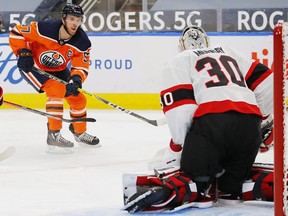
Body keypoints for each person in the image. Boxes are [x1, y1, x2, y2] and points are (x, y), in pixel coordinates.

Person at [122, 26, 274, 213]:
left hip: (212, 126)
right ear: (207, 42)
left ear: (182, 45)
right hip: (249, 127)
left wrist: (178, 148)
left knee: (197, 179)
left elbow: (181, 110)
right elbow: (269, 81)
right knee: (229, 186)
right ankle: (261, 184)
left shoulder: (180, 60)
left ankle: (181, 189)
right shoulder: (229, 52)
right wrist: (263, 121)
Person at [9, 4, 100, 153]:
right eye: (72, 19)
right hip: (33, 67)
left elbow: (80, 66)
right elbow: (16, 32)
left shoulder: (82, 41)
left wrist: (76, 79)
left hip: (58, 69)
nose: (75, 23)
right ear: (63, 19)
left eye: (78, 20)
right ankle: (53, 134)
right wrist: (23, 52)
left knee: (78, 97)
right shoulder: (45, 28)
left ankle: (79, 132)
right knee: (56, 90)